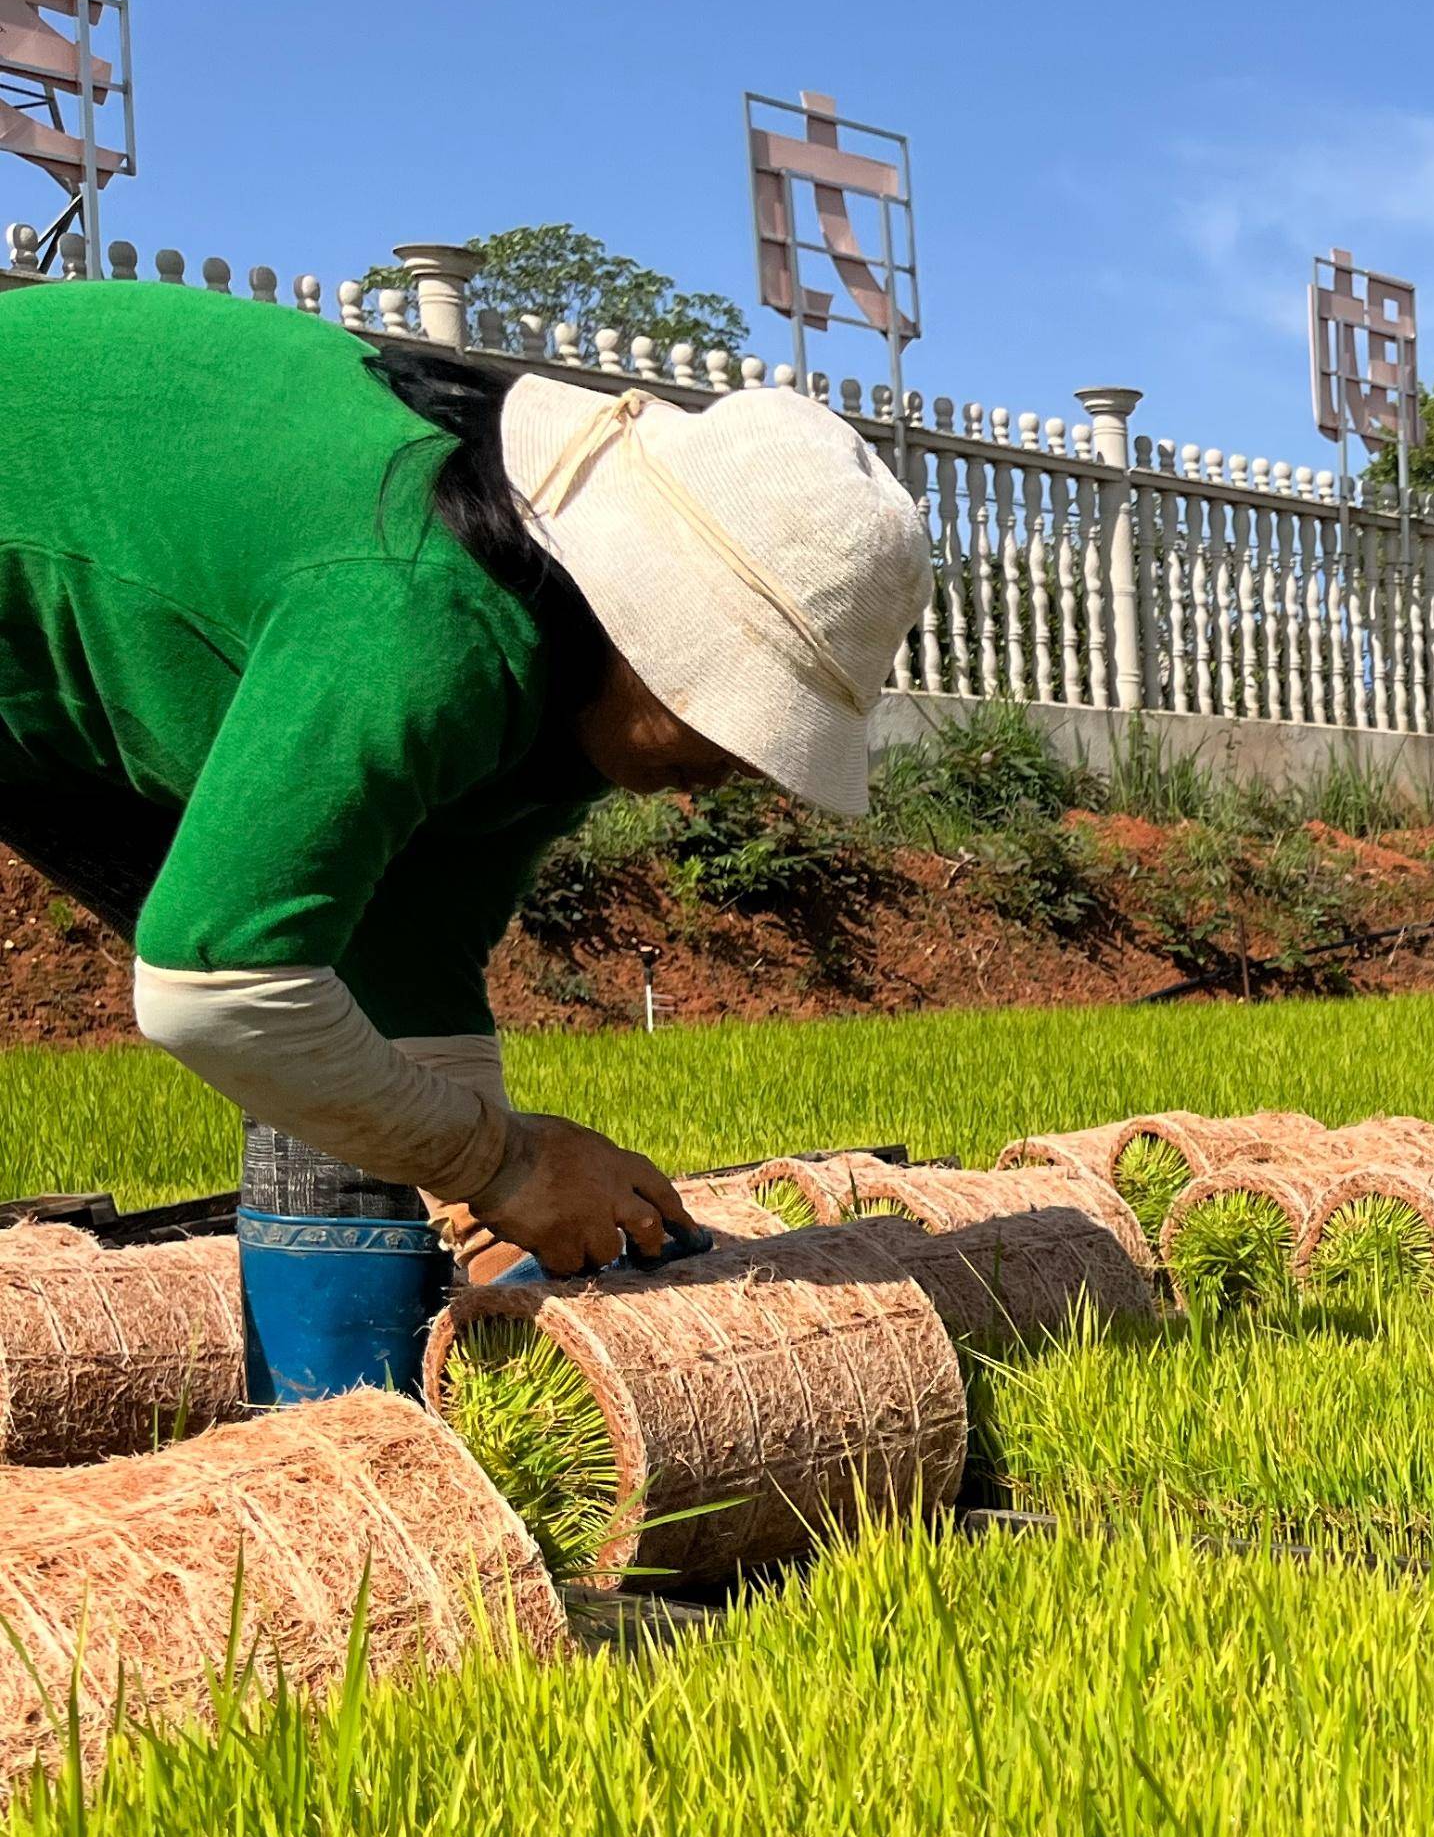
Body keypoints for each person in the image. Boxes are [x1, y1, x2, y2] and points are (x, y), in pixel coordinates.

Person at [0, 277, 931, 1328]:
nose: (755, 767)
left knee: (335, 1049)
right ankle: (332, 1442)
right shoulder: (420, 621)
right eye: (746, 712)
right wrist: (504, 1160)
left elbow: (410, 957)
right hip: (28, 563)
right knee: (285, 1010)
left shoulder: (560, 705)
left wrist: (495, 1205)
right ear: (646, 628)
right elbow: (216, 983)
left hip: (76, 653)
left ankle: (352, 1434)